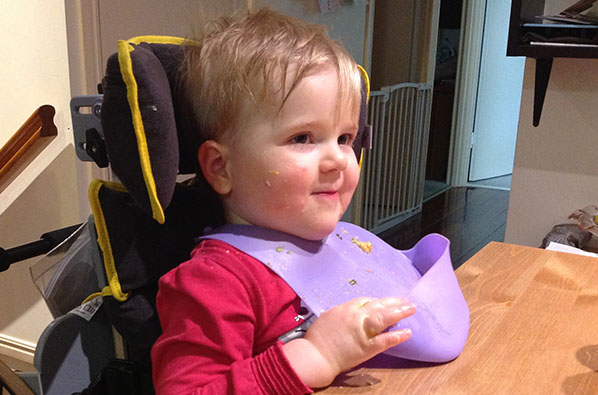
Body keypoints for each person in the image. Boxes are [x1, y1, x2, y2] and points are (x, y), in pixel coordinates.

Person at [151, 7, 416, 394]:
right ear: (221, 168)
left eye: (345, 138)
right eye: (303, 138)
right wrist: (316, 355)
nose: (339, 159)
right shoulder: (216, 282)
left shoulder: (344, 244)